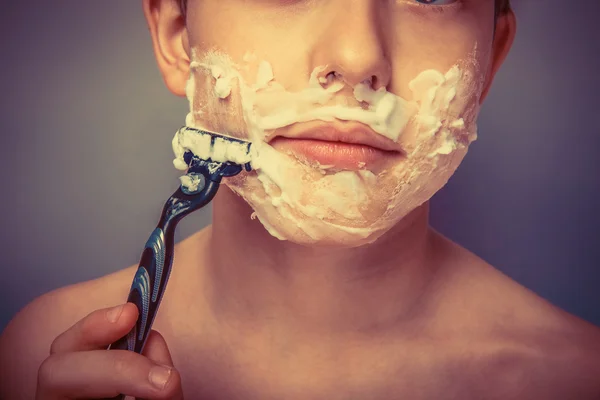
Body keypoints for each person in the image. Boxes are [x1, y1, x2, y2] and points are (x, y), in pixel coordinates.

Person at [1, 0, 600, 399]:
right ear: (178, 36)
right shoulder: (38, 358)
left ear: (488, 65)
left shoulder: (577, 380)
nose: (358, 57)